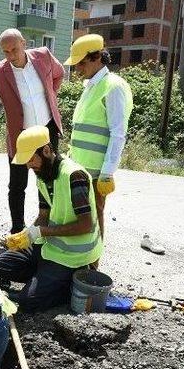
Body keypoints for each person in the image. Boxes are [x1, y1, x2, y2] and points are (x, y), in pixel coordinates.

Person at [0, 125, 103, 311]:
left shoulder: (75, 176)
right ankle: (47, 278)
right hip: (50, 248)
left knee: (28, 302)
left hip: (73, 256)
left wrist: (42, 231)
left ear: (47, 150)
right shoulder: (43, 175)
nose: (28, 166)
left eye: (31, 159)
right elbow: (44, 215)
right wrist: (25, 236)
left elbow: (85, 225)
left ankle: (69, 282)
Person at [0, 28, 65, 234]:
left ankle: (47, 222)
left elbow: (59, 74)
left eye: (14, 49)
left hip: (47, 129)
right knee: (17, 184)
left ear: (24, 44)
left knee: (48, 178)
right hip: (20, 137)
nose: (11, 55)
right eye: (6, 51)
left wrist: (51, 95)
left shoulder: (43, 56)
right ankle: (17, 227)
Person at [63, 34, 133, 239]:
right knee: (81, 217)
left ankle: (92, 266)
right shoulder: (91, 86)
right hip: (80, 168)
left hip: (96, 172)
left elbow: (118, 133)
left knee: (94, 217)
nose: (77, 70)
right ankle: (82, 260)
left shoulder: (113, 86)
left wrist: (107, 173)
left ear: (96, 58)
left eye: (81, 64)